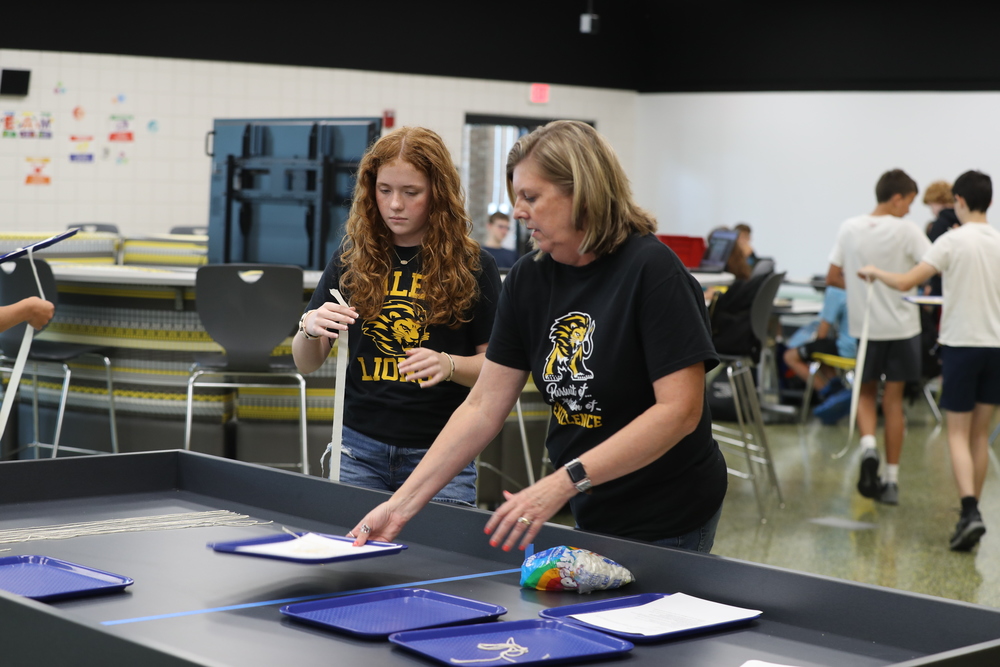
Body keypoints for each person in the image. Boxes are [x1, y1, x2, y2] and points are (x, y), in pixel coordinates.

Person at [348, 120, 728, 553]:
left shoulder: (653, 272)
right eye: (516, 197)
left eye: (530, 197)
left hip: (669, 510)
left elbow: (679, 412)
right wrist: (398, 507)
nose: (517, 212)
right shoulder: (529, 279)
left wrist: (564, 482)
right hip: (594, 501)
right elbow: (482, 405)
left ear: (581, 194)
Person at [293, 126, 502, 505]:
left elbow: (497, 371)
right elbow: (306, 364)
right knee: (354, 562)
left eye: (411, 193)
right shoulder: (351, 259)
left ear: (438, 194)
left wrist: (449, 364)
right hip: (357, 450)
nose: (394, 205)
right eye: (385, 190)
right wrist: (307, 329)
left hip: (442, 452)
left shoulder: (474, 266)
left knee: (439, 563)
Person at [858, 170, 1000, 551]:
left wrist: (873, 271)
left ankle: (969, 510)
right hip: (995, 348)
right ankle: (974, 512)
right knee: (979, 437)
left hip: (961, 347)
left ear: (959, 201)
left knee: (956, 432)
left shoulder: (953, 241)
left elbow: (906, 282)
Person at [827, 169, 931, 506]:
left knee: (867, 392)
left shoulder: (850, 227)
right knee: (894, 401)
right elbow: (930, 267)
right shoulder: (907, 231)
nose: (910, 210)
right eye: (910, 202)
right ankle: (891, 480)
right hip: (902, 328)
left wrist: (858, 291)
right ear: (897, 197)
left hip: (865, 328)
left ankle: (869, 446)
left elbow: (832, 276)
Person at [782, 285, 856, 407]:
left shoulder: (835, 291)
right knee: (821, 352)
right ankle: (836, 388)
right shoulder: (861, 287)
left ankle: (830, 395)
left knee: (790, 356)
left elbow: (822, 334)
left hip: (847, 349)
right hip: (867, 349)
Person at [924, 180, 959, 298]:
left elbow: (932, 257)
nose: (931, 211)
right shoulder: (964, 221)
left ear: (937, 201)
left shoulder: (939, 224)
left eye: (930, 205)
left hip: (941, 289)